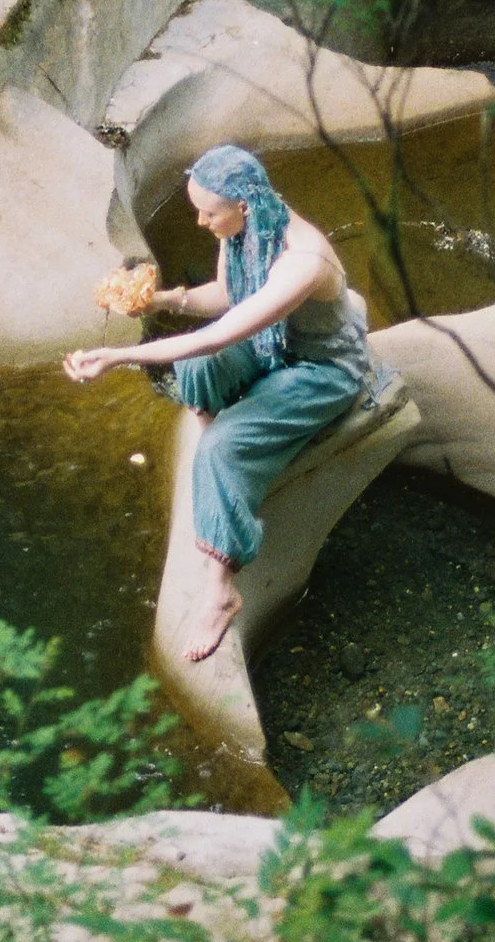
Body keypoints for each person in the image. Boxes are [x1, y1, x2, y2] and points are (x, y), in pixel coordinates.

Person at [63, 145, 374, 665]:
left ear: (244, 204)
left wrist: (119, 355)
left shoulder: (304, 260)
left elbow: (221, 333)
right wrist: (161, 301)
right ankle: (225, 429)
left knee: (220, 449)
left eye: (209, 213)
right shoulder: (245, 226)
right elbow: (229, 297)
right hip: (269, 345)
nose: (201, 222)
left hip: (319, 369)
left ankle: (221, 591)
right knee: (196, 372)